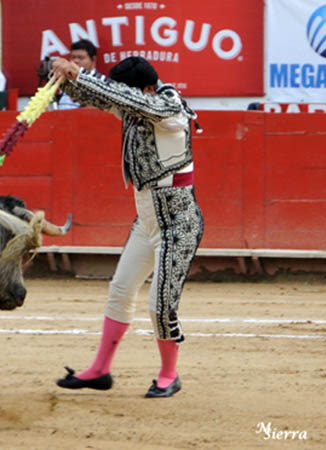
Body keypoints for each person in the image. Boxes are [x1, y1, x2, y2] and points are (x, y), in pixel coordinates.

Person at [51, 56, 204, 398]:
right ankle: (100, 370)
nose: (122, 99)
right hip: (148, 219)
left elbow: (124, 99)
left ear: (147, 88)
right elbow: (108, 99)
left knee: (160, 304)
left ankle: (169, 374)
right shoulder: (139, 103)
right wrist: (65, 79)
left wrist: (81, 72)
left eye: (129, 92)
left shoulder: (168, 104)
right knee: (121, 290)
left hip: (178, 223)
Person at [57, 39, 100, 110]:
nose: (75, 61)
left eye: (81, 58)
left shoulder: (100, 83)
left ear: (93, 59)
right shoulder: (64, 81)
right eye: (73, 57)